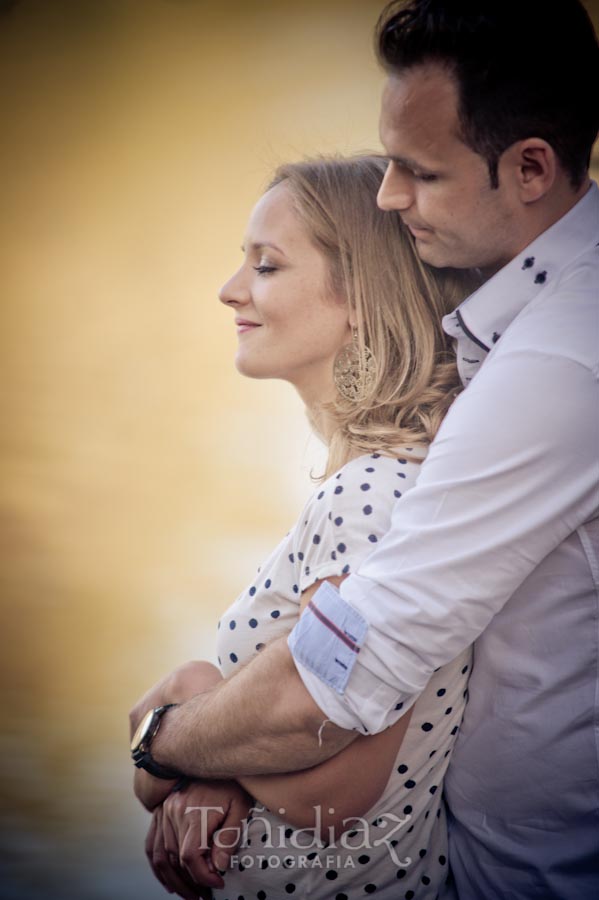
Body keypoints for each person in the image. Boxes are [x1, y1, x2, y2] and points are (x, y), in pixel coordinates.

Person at [130, 1, 599, 897]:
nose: (390, 194)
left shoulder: (555, 365)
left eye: (419, 172)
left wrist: (168, 732)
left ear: (531, 167)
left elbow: (338, 697)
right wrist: (219, 755)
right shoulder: (521, 337)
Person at [132, 154, 475, 899]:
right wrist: (209, 761)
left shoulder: (375, 499)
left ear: (358, 296)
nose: (230, 291)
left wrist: (192, 702)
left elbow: (336, 792)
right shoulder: (374, 487)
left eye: (266, 265)